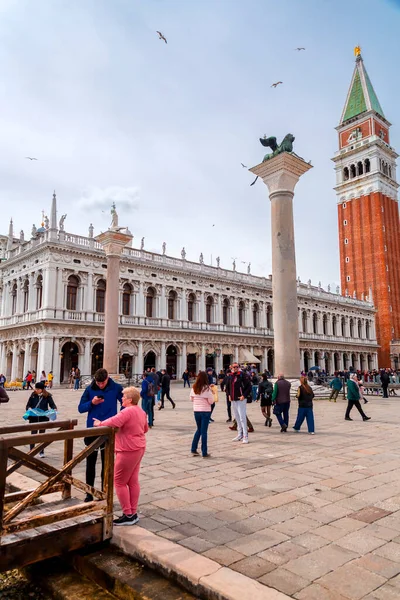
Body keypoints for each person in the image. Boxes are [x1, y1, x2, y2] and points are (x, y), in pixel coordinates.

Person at [93, 386, 148, 526]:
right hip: (139, 447)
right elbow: (145, 428)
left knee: (119, 481)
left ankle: (128, 514)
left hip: (127, 449)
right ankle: (133, 512)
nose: (121, 398)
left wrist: (99, 423)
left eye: (123, 397)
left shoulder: (127, 411)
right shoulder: (141, 411)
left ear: (129, 399)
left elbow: (113, 421)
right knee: (133, 481)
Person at [78, 368, 123, 502]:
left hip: (108, 429)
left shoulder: (116, 388)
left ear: (107, 378)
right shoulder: (90, 389)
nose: (100, 385)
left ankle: (105, 492)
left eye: (102, 383)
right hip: (92, 430)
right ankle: (89, 492)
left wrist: (119, 417)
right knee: (90, 463)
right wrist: (92, 403)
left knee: (107, 463)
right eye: (98, 383)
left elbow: (126, 403)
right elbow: (80, 408)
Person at [26, 382, 57, 457]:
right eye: (36, 388)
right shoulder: (33, 395)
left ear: (42, 389)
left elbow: (52, 404)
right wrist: (29, 409)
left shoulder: (47, 396)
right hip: (34, 418)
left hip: (43, 418)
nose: (36, 390)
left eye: (38, 389)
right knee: (33, 435)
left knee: (42, 435)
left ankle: (41, 451)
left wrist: (54, 409)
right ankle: (32, 451)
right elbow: (28, 405)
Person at [190, 371, 214, 458]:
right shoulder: (207, 389)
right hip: (205, 411)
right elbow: (211, 401)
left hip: (196, 411)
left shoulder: (194, 388)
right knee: (204, 432)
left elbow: (191, 399)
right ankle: (204, 452)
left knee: (199, 430)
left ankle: (193, 449)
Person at [226, 363, 252, 444]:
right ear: (231, 368)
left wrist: (244, 395)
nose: (235, 368)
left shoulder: (243, 375)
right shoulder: (231, 376)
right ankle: (239, 434)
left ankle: (245, 435)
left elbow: (249, 386)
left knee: (242, 417)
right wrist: (229, 395)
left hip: (241, 399)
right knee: (237, 417)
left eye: (237, 367)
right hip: (233, 399)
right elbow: (227, 387)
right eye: (234, 367)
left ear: (239, 367)